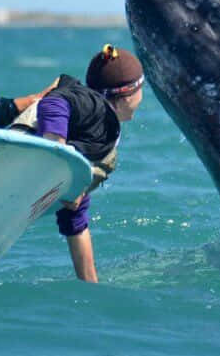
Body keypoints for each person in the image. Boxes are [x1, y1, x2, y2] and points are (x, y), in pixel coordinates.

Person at [27, 44, 144, 283]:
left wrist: (91, 285)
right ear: (130, 93)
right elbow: (55, 102)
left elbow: (75, 219)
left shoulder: (98, 131)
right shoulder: (95, 105)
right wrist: (56, 159)